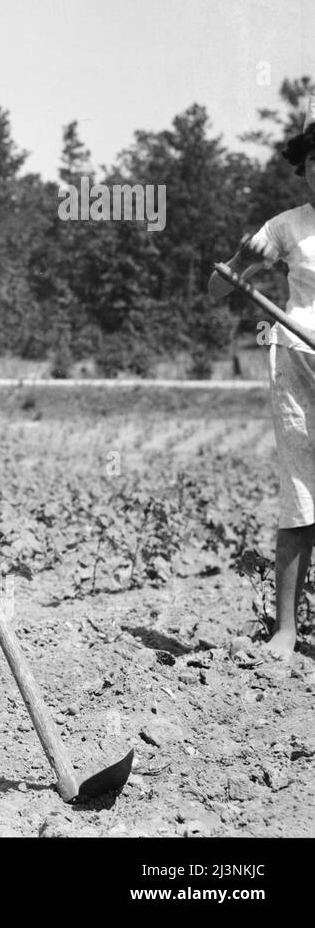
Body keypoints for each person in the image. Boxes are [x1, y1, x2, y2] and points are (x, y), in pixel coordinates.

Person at [209, 117, 315, 657]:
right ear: (303, 169)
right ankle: (286, 631)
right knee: (301, 494)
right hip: (298, 363)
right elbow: (217, 289)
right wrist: (241, 262)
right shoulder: (286, 226)